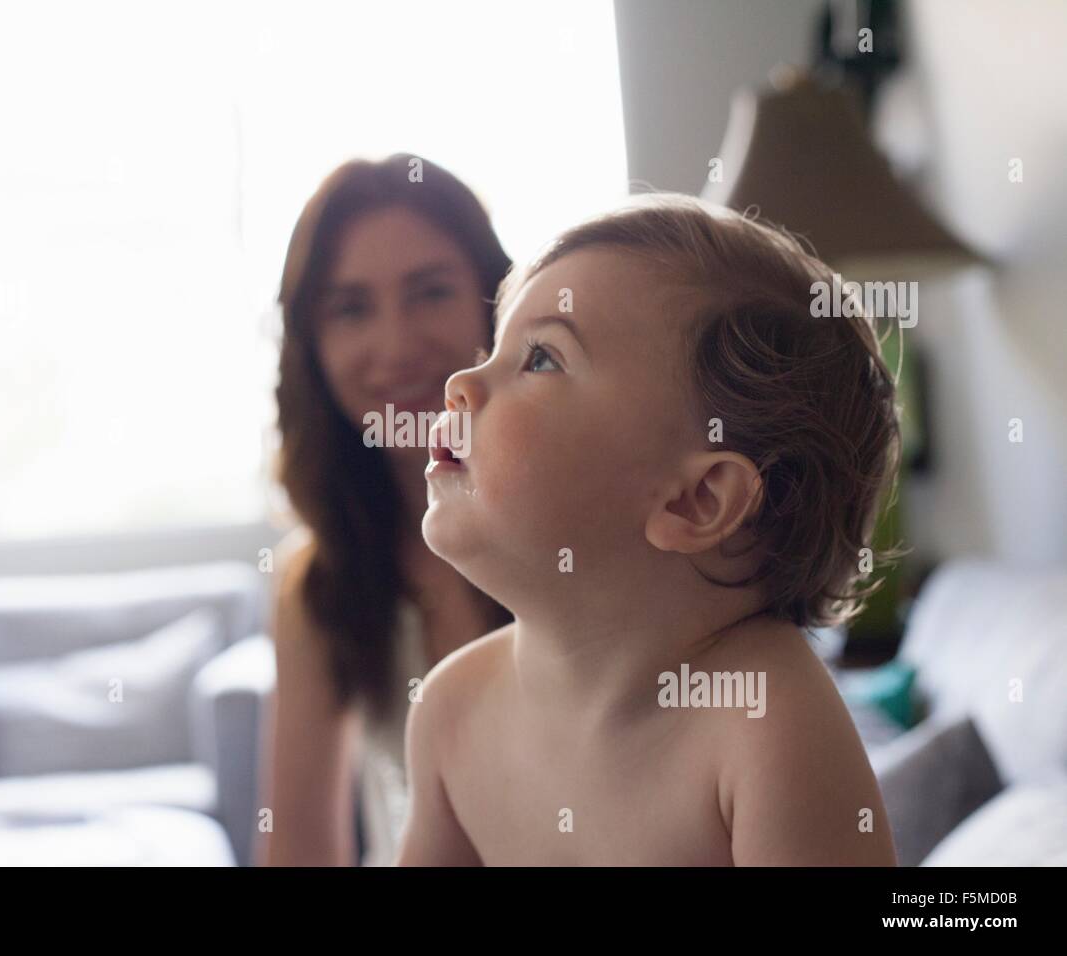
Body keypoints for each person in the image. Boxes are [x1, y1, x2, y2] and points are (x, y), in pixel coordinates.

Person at [399, 193, 901, 865]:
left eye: (540, 358)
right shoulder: (449, 710)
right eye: (493, 350)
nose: (462, 380)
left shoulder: (765, 720)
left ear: (696, 501)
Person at [258, 154, 513, 866]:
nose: (396, 346)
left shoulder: (595, 528)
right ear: (312, 348)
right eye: (351, 309)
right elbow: (298, 852)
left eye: (430, 293)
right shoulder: (318, 583)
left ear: (497, 303)